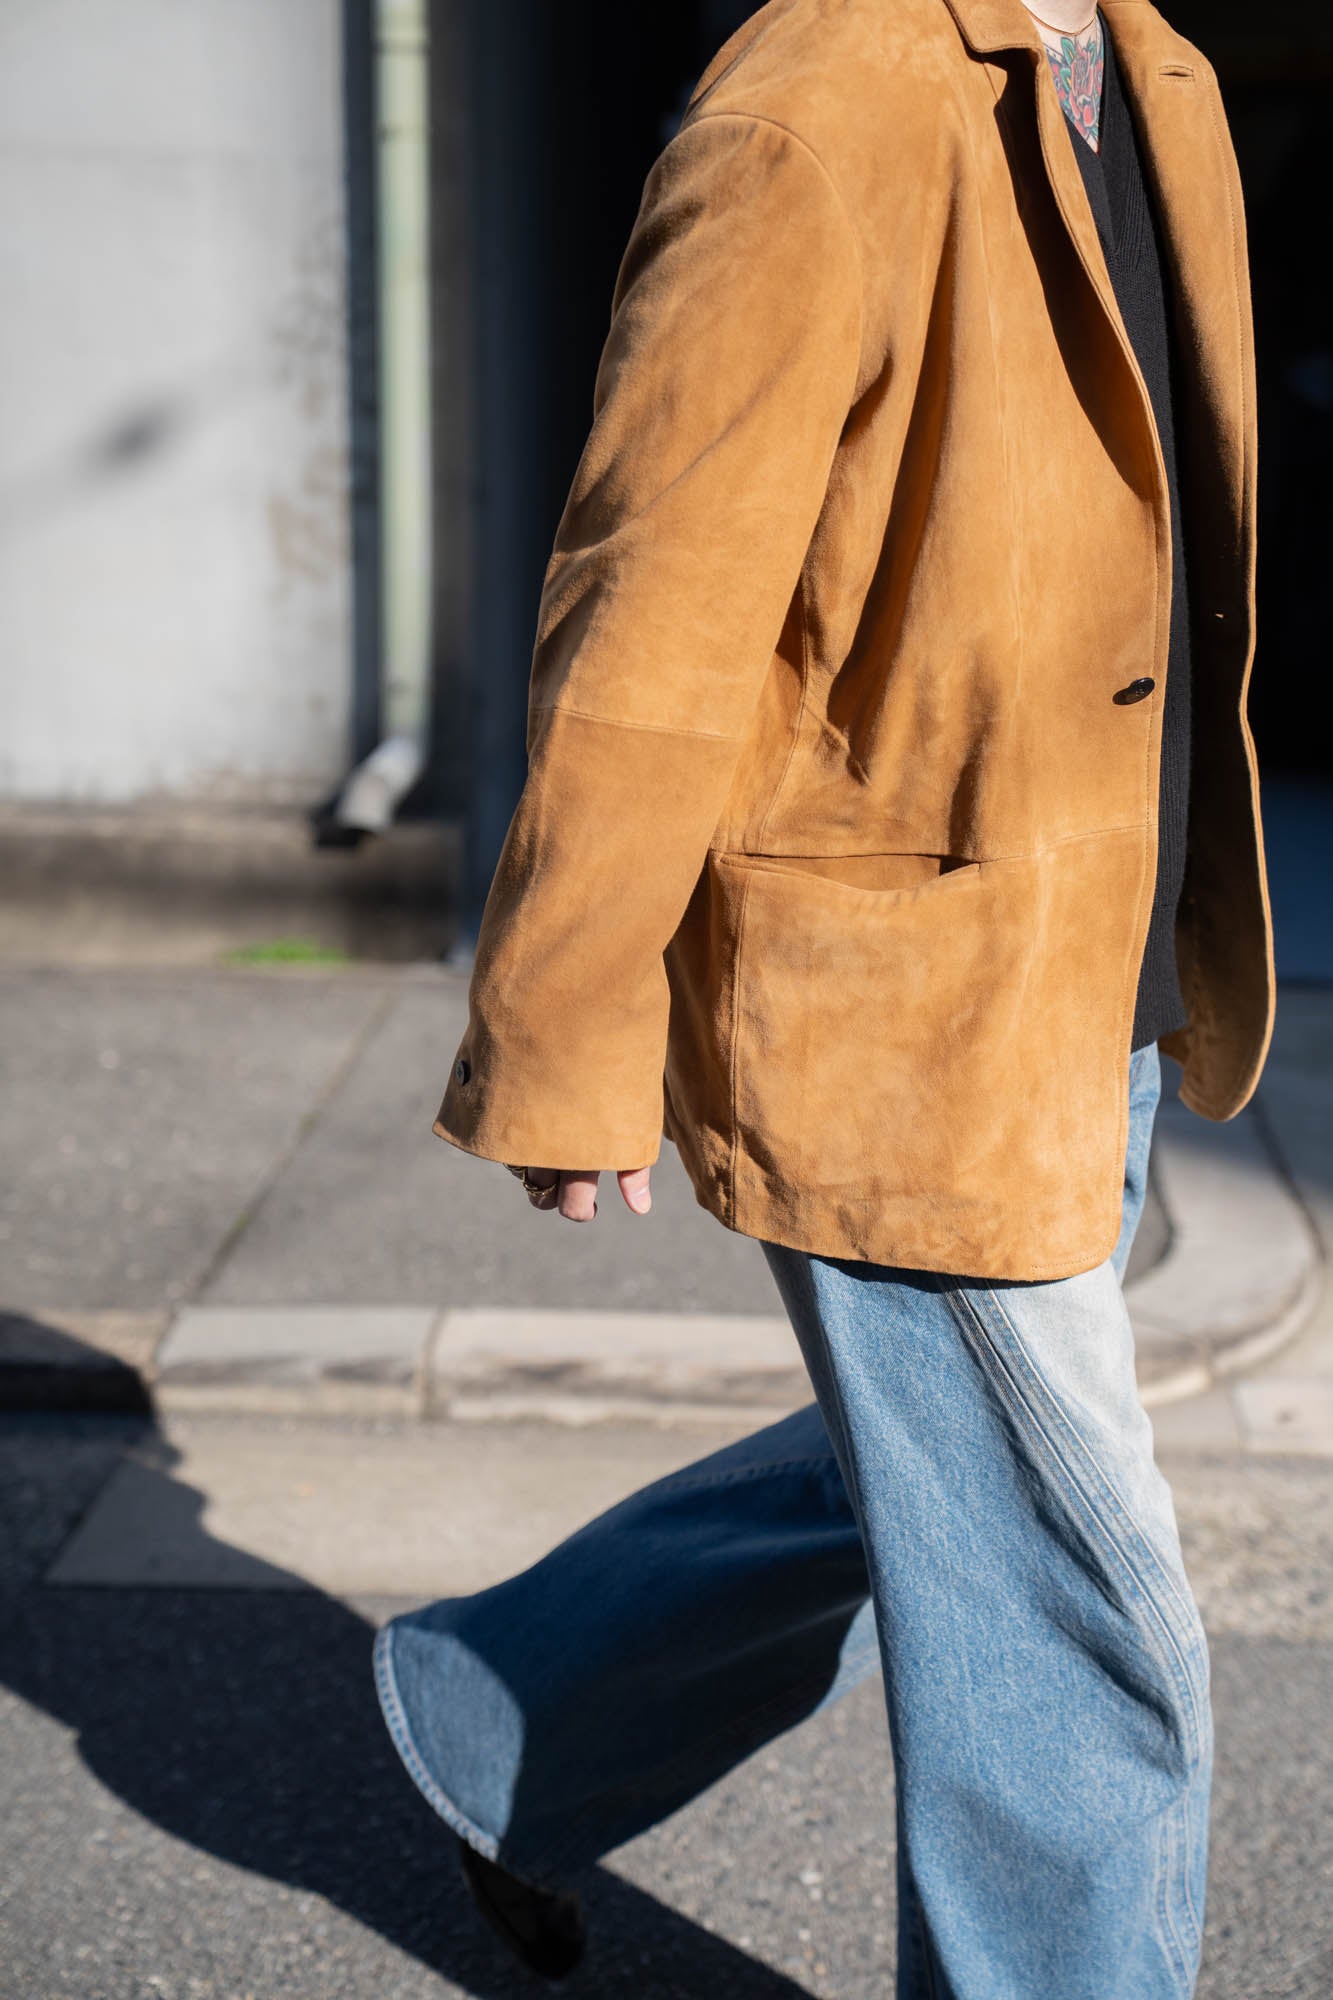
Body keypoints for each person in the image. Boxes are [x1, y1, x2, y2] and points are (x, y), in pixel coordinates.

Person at [374, 1, 1274, 1992]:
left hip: (1088, 955)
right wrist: (572, 1017)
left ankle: (493, 1708)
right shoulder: (814, 101)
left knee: (946, 1488)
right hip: (905, 1000)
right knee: (1074, 1614)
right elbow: (655, 586)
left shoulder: (1159, 70)